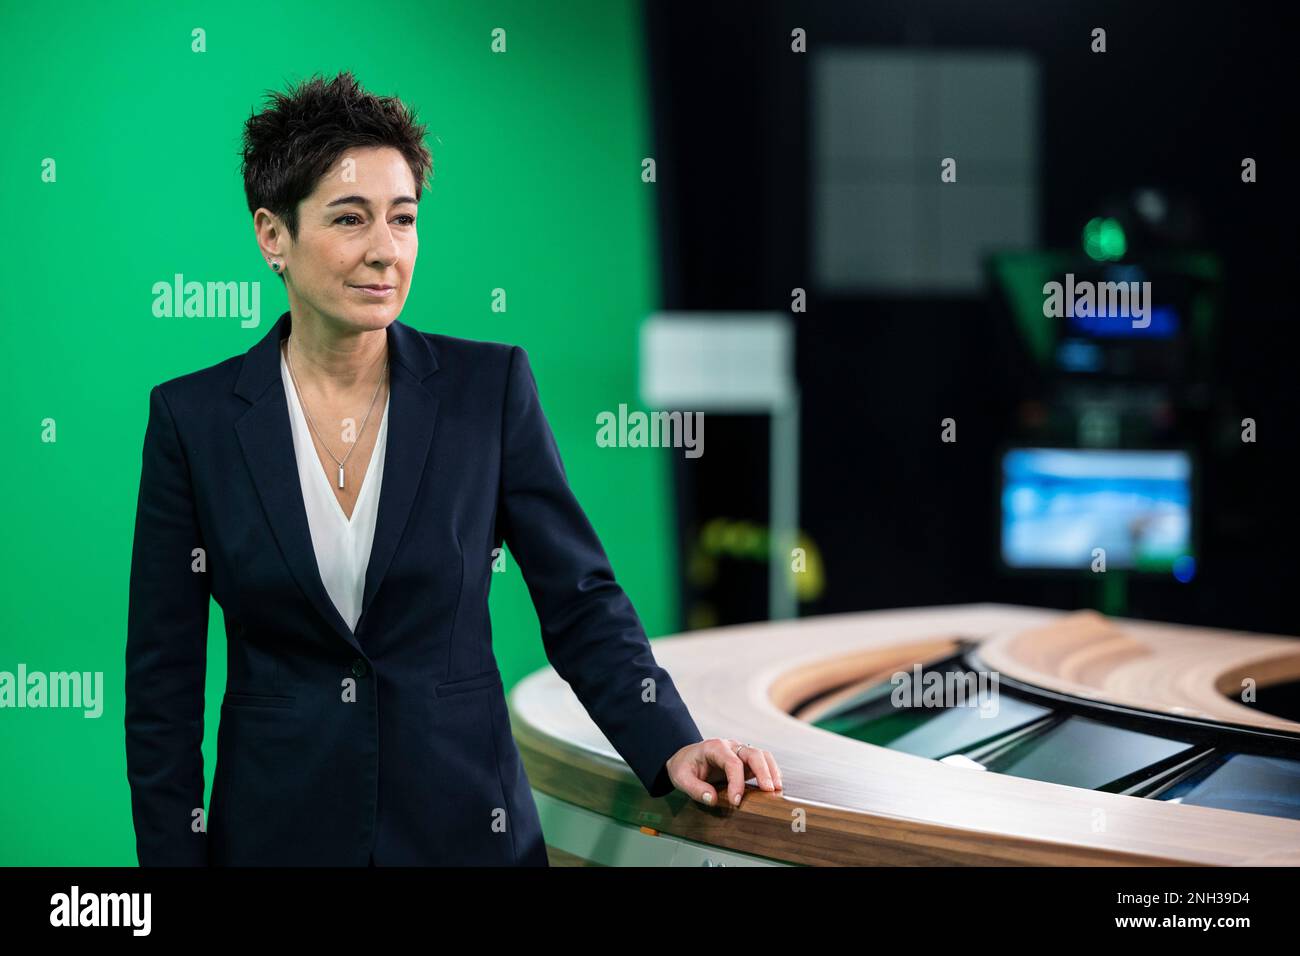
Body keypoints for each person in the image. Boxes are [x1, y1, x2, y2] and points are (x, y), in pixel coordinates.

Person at [124, 70, 781, 866]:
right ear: (273, 236)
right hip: (275, 836)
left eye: (403, 220)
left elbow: (580, 600)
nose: (384, 250)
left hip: (468, 830)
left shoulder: (488, 390)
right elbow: (162, 685)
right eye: (349, 218)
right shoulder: (192, 421)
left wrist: (670, 742)